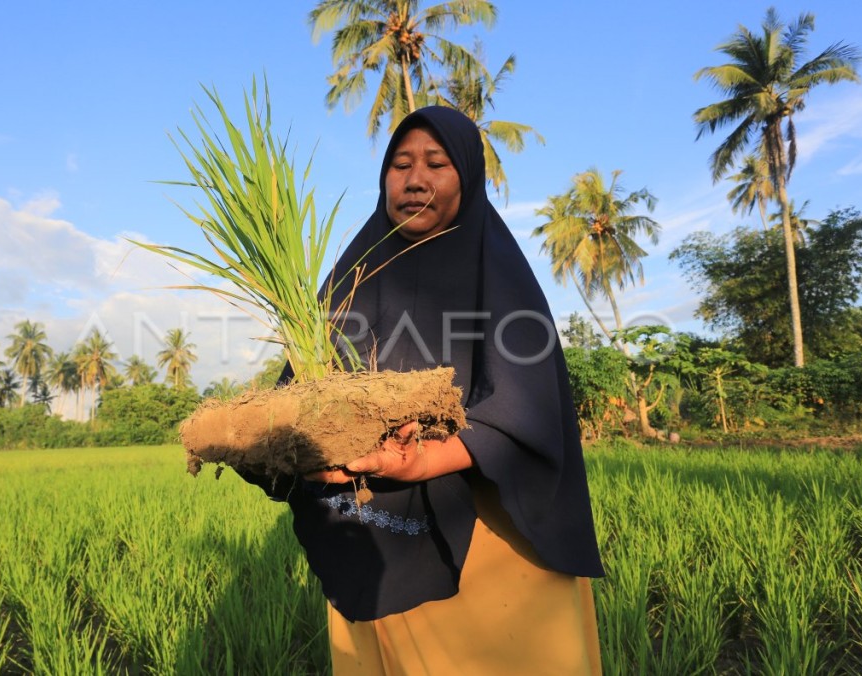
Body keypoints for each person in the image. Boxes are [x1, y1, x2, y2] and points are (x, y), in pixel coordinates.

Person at [258, 105, 604, 674]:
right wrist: (304, 452)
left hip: (489, 547)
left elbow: (526, 412)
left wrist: (421, 462)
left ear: (466, 175)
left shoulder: (499, 275)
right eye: (400, 164)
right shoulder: (352, 278)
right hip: (371, 534)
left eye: (436, 163)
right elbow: (298, 397)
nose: (415, 178)